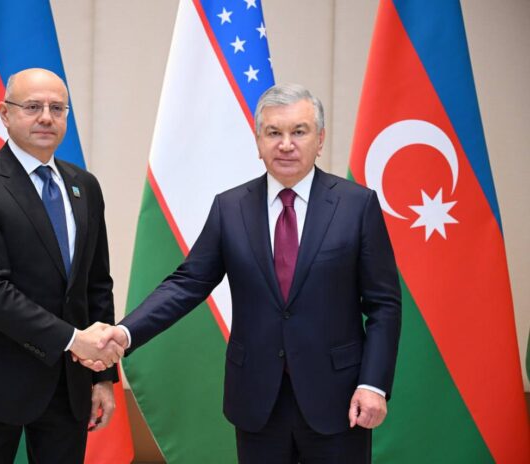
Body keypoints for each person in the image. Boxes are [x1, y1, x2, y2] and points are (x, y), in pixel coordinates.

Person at [95, 83, 402, 463]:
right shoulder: (230, 208)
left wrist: (373, 384)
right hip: (257, 399)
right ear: (258, 142)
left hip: (339, 397)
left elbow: (384, 305)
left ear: (320, 140)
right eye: (273, 133)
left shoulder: (357, 206)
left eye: (299, 132)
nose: (285, 144)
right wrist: (125, 333)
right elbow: (188, 283)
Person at [0, 68, 124, 463]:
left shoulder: (84, 186)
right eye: (32, 107)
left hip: (69, 384)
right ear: (5, 114)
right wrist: (73, 340)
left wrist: (102, 376)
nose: (46, 117)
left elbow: (96, 284)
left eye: (57, 108)